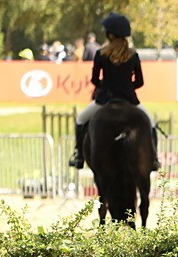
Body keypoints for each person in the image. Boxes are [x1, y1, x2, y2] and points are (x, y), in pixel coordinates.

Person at [68, 13, 160, 172]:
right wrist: (126, 87)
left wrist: (107, 86)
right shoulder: (133, 55)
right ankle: (154, 158)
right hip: (129, 99)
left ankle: (78, 155)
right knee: (150, 123)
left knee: (81, 119)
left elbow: (95, 80)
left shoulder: (101, 54)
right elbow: (140, 82)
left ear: (110, 35)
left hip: (105, 99)